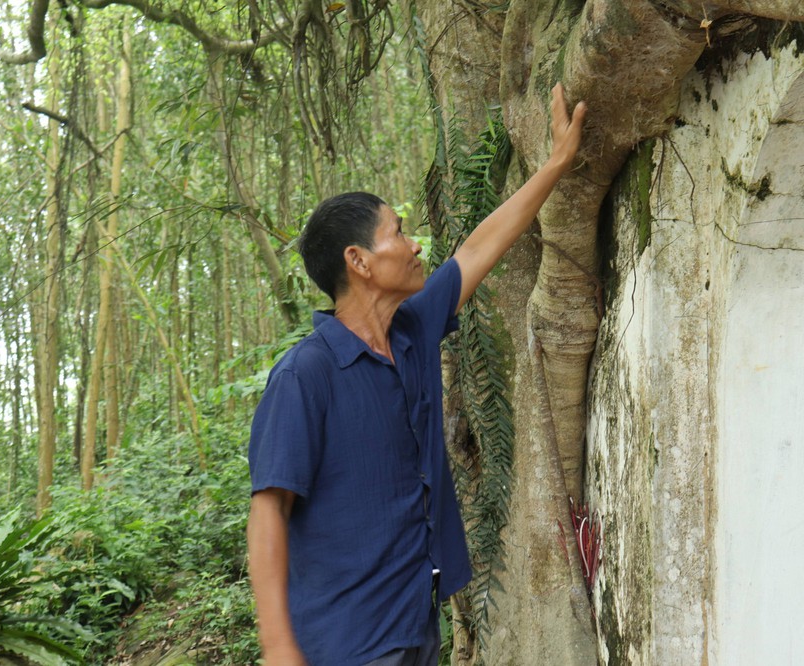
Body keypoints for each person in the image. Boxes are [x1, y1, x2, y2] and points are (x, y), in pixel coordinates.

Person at [246, 83, 586, 666]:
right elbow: (268, 511)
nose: (414, 245)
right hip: (343, 644)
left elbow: (479, 248)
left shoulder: (412, 329)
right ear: (359, 262)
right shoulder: (306, 375)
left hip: (415, 627)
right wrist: (278, 649)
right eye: (398, 233)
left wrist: (556, 163)